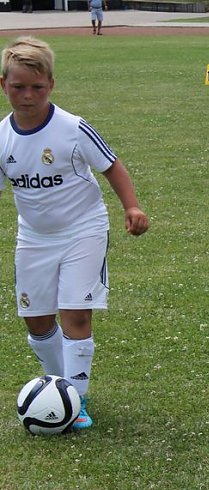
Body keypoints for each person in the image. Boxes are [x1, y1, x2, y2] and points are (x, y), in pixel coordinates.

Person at [0, 36, 150, 430]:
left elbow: (112, 166)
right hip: (33, 239)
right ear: (4, 86)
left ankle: (76, 399)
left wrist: (131, 206)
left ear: (51, 84)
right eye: (18, 87)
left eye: (37, 87)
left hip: (83, 230)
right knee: (36, 320)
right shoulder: (2, 137)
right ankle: (58, 387)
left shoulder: (73, 128)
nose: (27, 95)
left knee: (76, 313)